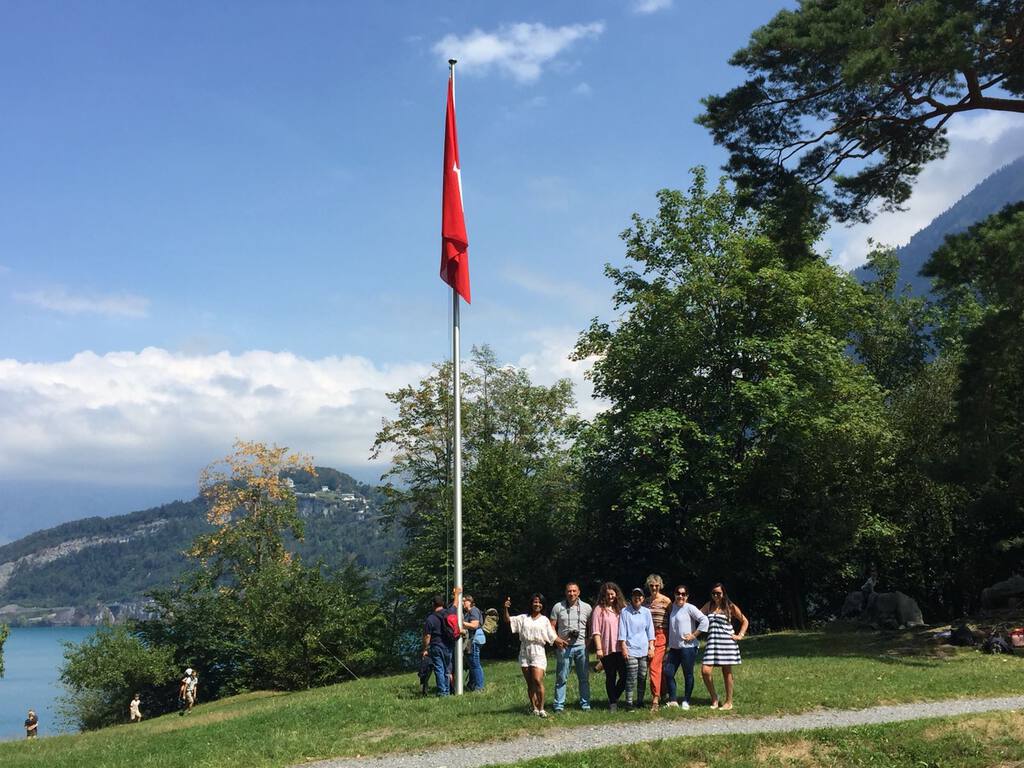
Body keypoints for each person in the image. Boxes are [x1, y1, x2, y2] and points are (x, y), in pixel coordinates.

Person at [504, 593, 564, 717]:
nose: (537, 604)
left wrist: (561, 642)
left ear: (543, 605)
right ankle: (534, 708)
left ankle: (541, 708)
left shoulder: (544, 620)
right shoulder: (523, 618)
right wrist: (505, 608)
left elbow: (552, 636)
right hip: (525, 650)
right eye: (535, 602)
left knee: (537, 680)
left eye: (539, 602)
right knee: (530, 682)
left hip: (538, 651)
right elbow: (508, 620)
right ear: (531, 604)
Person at [700, 582, 748, 710]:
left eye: (718, 593)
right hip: (712, 643)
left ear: (723, 593)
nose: (716, 595)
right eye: (714, 593)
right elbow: (697, 616)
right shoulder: (708, 605)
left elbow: (745, 621)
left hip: (727, 643)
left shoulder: (730, 606)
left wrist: (740, 635)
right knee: (705, 671)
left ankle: (729, 702)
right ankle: (714, 698)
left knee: (726, 672)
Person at [550, 581, 593, 712]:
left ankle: (585, 704)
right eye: (569, 591)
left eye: (574, 591)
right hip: (564, 646)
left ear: (579, 592)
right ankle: (559, 705)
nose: (572, 593)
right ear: (565, 592)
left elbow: (592, 626)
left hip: (581, 647)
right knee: (561, 677)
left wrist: (589, 640)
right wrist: (557, 640)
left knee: (584, 678)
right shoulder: (558, 607)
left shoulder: (587, 607)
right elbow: (551, 626)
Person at [663, 584, 708, 709]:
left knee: (688, 674)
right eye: (678, 593)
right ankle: (673, 701)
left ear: (687, 596)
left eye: (683, 594)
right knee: (668, 673)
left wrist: (694, 635)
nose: (680, 596)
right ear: (674, 594)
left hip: (688, 648)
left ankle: (686, 701)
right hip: (674, 648)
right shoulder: (671, 608)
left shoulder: (689, 608)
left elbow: (704, 620)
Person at [591, 581, 627, 711]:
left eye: (612, 594)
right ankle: (613, 703)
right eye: (608, 594)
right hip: (607, 648)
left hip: (621, 648)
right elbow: (596, 631)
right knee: (611, 676)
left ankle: (614, 696)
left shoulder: (622, 608)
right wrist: (599, 649)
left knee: (625, 676)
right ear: (604, 595)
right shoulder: (599, 610)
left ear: (617, 594)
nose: (610, 596)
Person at [618, 587, 654, 710]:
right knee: (631, 677)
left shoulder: (646, 612)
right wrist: (623, 647)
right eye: (635, 596)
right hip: (631, 649)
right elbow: (622, 631)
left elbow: (650, 631)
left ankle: (640, 701)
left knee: (642, 676)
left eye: (639, 596)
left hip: (643, 649)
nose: (637, 598)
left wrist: (651, 647)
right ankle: (629, 703)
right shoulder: (625, 612)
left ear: (643, 598)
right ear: (631, 598)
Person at [644, 574, 672, 711]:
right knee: (656, 666)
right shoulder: (646, 602)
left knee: (654, 666)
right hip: (647, 637)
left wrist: (671, 639)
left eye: (656, 585)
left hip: (662, 635)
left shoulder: (666, 601)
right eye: (651, 586)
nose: (654, 588)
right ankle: (664, 692)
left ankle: (655, 698)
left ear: (660, 586)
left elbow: (672, 619)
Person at [422, 595, 452, 696]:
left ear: (433, 604)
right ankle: (447, 691)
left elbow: (427, 636)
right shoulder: (449, 614)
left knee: (439, 669)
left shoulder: (431, 618)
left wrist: (425, 648)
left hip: (436, 645)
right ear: (443, 603)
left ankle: (442, 692)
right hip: (449, 645)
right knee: (447, 669)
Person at [461, 591, 485, 692]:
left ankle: (479, 687)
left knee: (475, 664)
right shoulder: (468, 613)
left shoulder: (473, 610)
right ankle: (472, 684)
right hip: (472, 639)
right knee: (471, 663)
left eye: (464, 601)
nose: (462, 603)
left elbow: (474, 625)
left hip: (474, 639)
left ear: (469, 601)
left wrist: (461, 624)